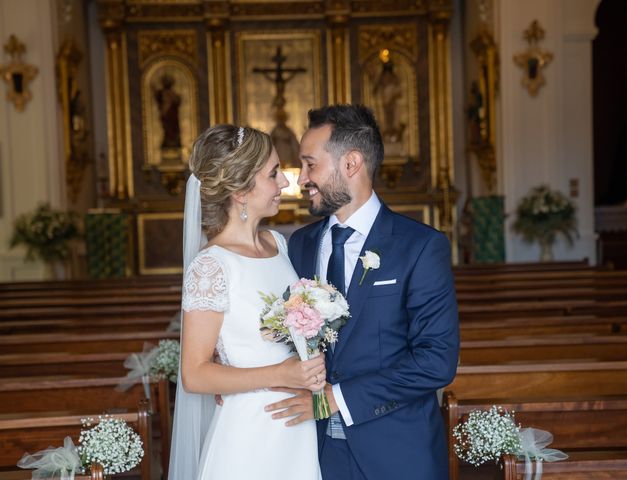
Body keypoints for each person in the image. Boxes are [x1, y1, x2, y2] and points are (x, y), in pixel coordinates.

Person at [266, 105, 460, 479]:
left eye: (310, 165)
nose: (300, 179)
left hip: (398, 453)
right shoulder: (300, 245)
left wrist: (333, 400)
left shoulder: (420, 247)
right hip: (313, 452)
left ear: (351, 163)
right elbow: (283, 335)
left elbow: (436, 361)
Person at [168, 124, 324, 480]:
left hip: (297, 429)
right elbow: (194, 373)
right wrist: (281, 374)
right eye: (273, 174)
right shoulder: (211, 266)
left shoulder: (277, 244)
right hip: (250, 435)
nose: (285, 183)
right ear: (240, 191)